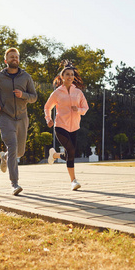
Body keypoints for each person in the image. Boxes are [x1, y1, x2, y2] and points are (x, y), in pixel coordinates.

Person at [0, 48, 37, 195]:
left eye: (16, 57)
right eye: (11, 57)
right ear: (6, 61)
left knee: (19, 152)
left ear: (19, 60)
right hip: (5, 117)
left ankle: (5, 157)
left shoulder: (26, 77)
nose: (14, 59)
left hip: (22, 117)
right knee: (12, 146)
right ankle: (15, 183)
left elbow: (34, 97)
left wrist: (23, 95)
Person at [44, 60, 89, 190]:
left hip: (74, 126)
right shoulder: (57, 93)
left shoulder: (78, 93)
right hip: (60, 126)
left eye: (72, 74)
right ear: (62, 77)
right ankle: (73, 180)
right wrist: (48, 119)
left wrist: (78, 110)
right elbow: (47, 107)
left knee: (71, 152)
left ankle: (55, 155)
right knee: (71, 150)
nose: (70, 76)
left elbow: (85, 108)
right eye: (67, 74)